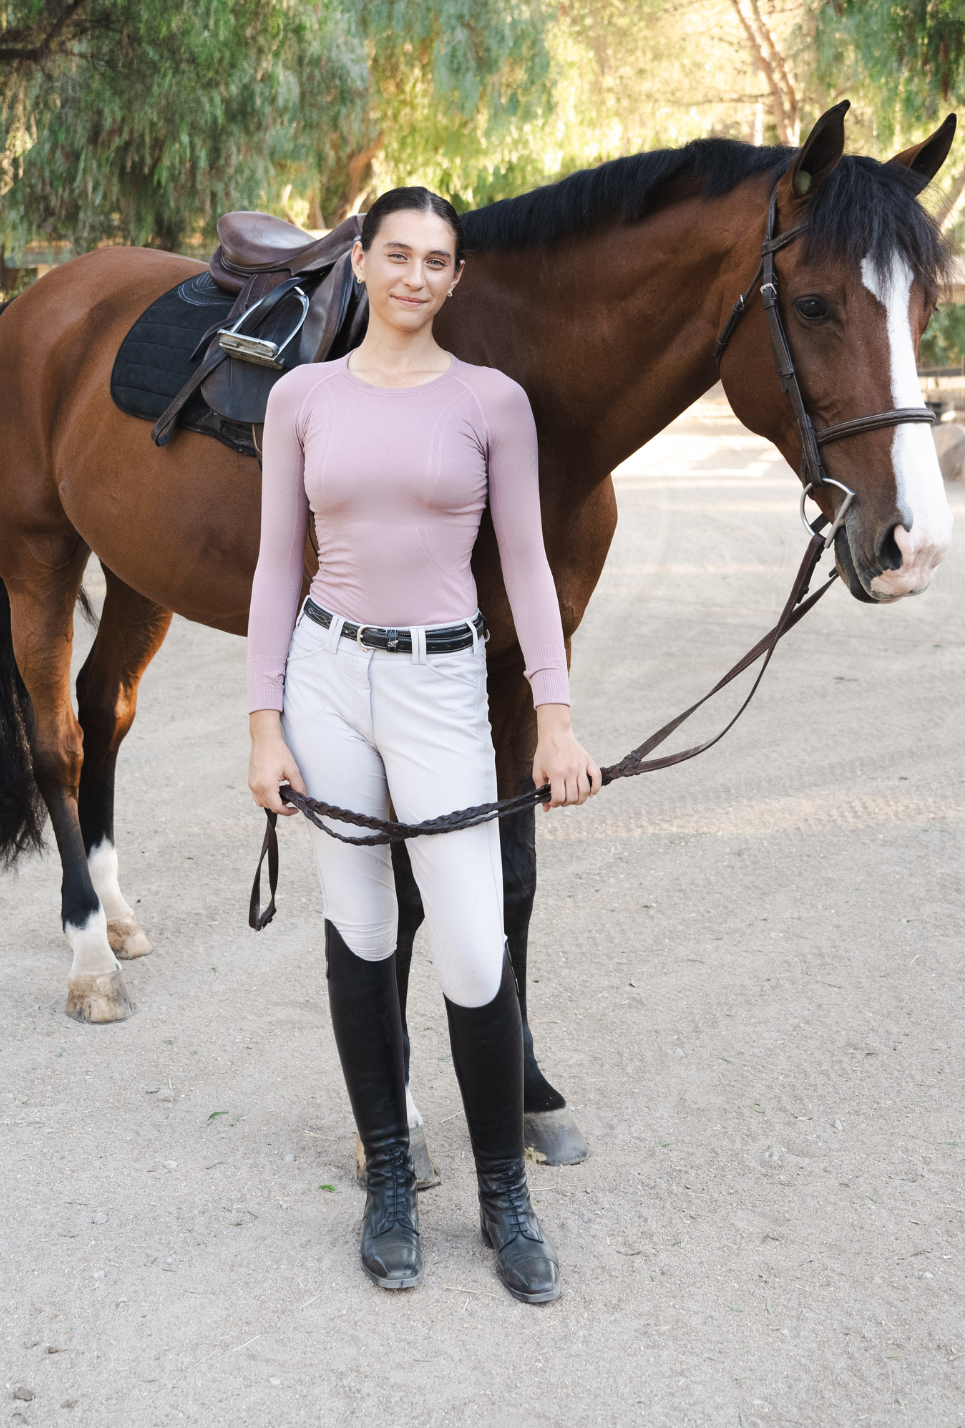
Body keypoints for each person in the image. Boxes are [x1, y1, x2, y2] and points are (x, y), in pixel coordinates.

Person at [246, 186, 601, 1303]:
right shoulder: (300, 396)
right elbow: (273, 564)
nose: (413, 275)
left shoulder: (491, 400)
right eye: (394, 253)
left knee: (469, 942)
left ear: (456, 277)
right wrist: (265, 719)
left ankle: (505, 1196)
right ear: (358, 260)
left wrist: (554, 710)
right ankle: (390, 1176)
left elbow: (529, 565)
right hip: (326, 675)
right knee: (357, 927)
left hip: (442, 679)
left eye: (435, 259)